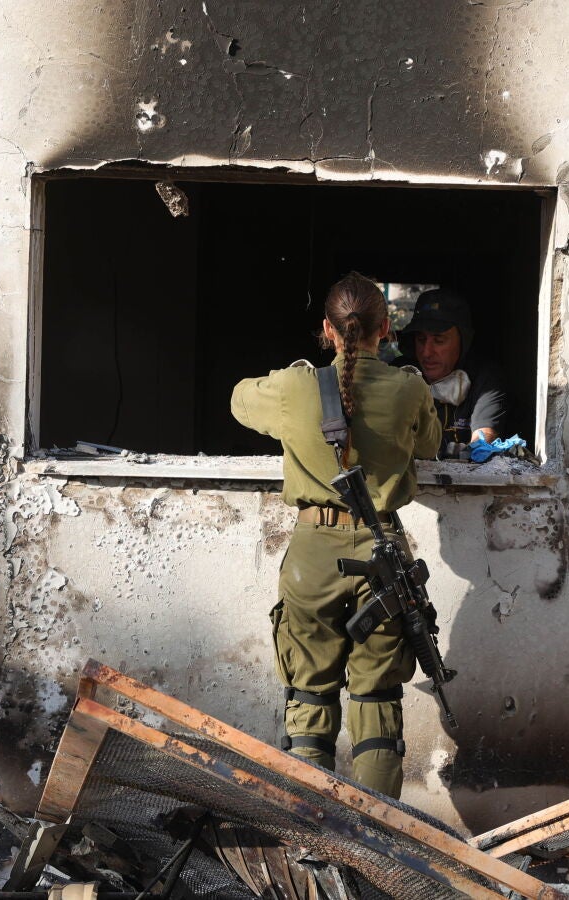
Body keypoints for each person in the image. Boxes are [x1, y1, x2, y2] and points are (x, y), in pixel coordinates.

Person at [230, 273, 442, 798]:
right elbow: (431, 444)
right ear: (385, 328)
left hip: (313, 558)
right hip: (382, 553)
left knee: (309, 696)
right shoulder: (409, 388)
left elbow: (238, 400)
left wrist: (293, 379)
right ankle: (378, 837)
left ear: (327, 329)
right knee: (377, 701)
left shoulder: (293, 387)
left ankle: (310, 830)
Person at [396, 288, 510, 459]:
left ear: (463, 340)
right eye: (421, 339)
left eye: (439, 340)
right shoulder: (399, 374)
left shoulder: (484, 378)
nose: (426, 352)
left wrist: (469, 452)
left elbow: (484, 436)